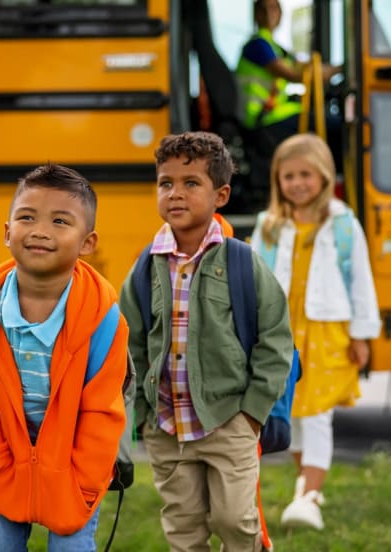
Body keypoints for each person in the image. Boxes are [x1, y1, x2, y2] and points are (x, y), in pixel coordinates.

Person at [118, 131, 295, 551]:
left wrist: (252, 413)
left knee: (234, 519)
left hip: (228, 418)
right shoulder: (146, 266)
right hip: (166, 424)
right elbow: (131, 346)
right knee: (183, 526)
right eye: (166, 183)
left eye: (190, 183)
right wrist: (141, 415)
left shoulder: (241, 261)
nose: (175, 194)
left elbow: (275, 340)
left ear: (221, 194)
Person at [0, 163, 129, 550]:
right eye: (27, 217)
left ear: (88, 243)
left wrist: (85, 477)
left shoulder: (102, 321)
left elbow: (102, 408)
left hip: (74, 465)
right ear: (8, 232)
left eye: (61, 221)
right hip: (8, 459)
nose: (41, 230)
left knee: (71, 547)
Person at [249, 133, 381, 531]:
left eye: (306, 174)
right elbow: (254, 279)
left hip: (327, 332)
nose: (298, 183)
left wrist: (361, 335)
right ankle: (308, 488)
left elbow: (360, 280)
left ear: (324, 176)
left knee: (319, 415)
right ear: (278, 180)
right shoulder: (268, 226)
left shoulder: (342, 225)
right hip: (282, 335)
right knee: (295, 415)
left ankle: (306, 497)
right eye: (288, 176)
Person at [236, 0, 342, 166]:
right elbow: (294, 74)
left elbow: (308, 67)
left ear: (281, 14)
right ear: (256, 14)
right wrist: (335, 71)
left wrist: (341, 68)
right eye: (263, 9)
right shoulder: (257, 46)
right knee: (338, 128)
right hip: (264, 119)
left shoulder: (277, 49)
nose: (269, 13)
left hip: (275, 114)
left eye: (274, 8)